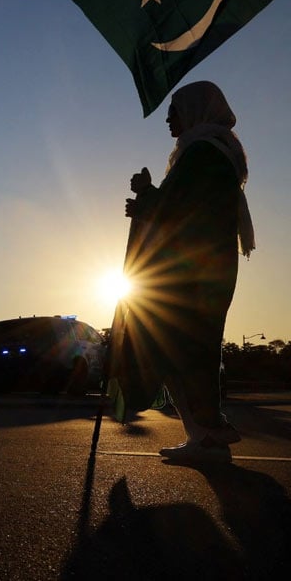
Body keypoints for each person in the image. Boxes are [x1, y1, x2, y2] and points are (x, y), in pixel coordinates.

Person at [122, 81, 253, 462]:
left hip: (195, 272)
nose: (168, 119)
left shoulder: (203, 152)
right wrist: (148, 200)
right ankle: (205, 434)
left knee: (180, 352)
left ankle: (208, 433)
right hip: (207, 268)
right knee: (192, 353)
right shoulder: (209, 150)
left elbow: (180, 207)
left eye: (174, 111)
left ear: (195, 110)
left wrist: (148, 195)